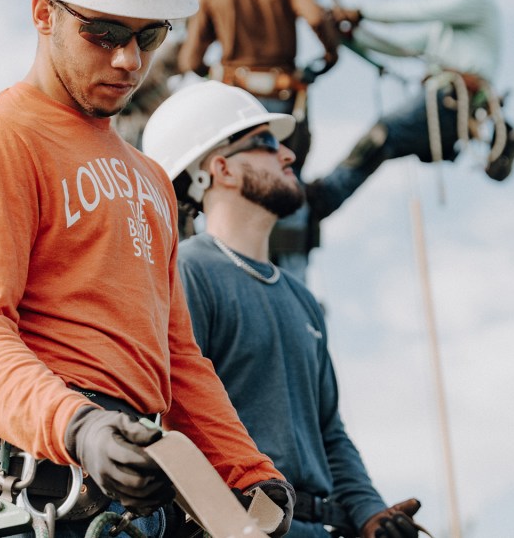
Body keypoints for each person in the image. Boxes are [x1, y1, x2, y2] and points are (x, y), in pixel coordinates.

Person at [0, 0, 293, 538]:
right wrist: (78, 426)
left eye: (149, 37)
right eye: (103, 33)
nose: (129, 60)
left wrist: (246, 470)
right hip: (45, 473)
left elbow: (177, 356)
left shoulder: (149, 179)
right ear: (42, 13)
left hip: (141, 476)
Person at [142, 81, 424, 538]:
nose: (288, 155)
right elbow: (179, 423)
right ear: (221, 169)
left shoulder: (302, 299)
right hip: (244, 524)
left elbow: (329, 431)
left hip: (321, 526)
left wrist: (371, 515)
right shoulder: (189, 274)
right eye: (267, 143)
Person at [308, 0, 514, 220]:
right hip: (442, 102)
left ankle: (325, 196)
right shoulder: (443, 24)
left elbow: (420, 11)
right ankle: (322, 200)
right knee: (382, 143)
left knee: (383, 133)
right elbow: (400, 46)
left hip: (452, 101)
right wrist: (348, 36)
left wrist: (361, 12)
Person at [177, 0, 342, 281]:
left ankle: (225, 275)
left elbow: (189, 60)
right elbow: (316, 18)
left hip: (232, 107)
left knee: (229, 186)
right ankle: (294, 284)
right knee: (286, 180)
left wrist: (218, 78)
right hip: (280, 101)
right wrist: (330, 56)